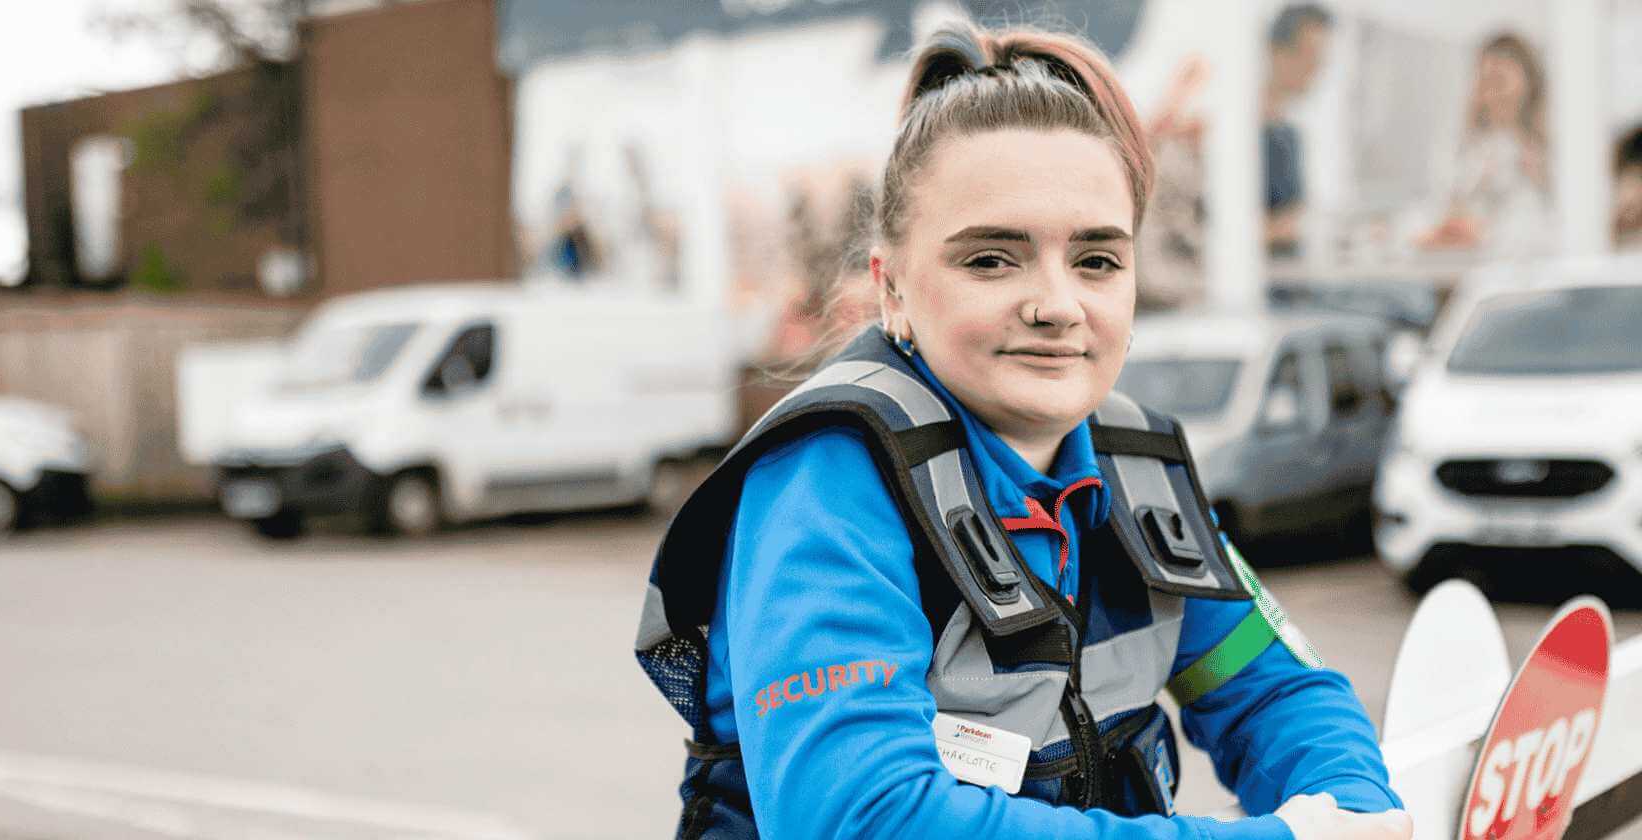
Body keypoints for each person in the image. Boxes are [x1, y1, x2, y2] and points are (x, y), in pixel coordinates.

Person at [633, 19, 1413, 840]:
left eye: (1097, 260)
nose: (1057, 304)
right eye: (991, 260)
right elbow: (862, 819)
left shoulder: (1140, 475)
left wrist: (1355, 811)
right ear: (890, 287)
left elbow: (1275, 691)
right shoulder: (827, 481)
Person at [1415, 33, 1549, 256]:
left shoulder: (1547, 149)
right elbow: (1440, 203)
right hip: (1468, 258)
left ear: (1529, 84)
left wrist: (1540, 176)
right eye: (1485, 81)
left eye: (1500, 81)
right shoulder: (1461, 146)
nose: (1492, 93)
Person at [1262, 4, 1333, 258]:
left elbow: (1297, 214)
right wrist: (1283, 228)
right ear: (1276, 52)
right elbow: (1225, 231)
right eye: (1311, 56)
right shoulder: (1238, 139)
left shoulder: (1289, 136)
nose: (1318, 68)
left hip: (1296, 274)